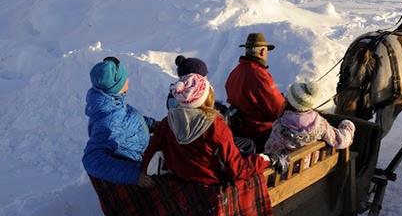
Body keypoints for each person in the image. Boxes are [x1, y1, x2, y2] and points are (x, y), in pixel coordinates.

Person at [142, 72, 286, 186]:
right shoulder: (215, 127)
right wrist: (267, 159)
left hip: (181, 183)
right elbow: (237, 170)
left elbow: (150, 157)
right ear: (205, 97)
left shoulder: (167, 123)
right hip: (211, 187)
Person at [82, 57, 157, 187]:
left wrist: (151, 124)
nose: (128, 79)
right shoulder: (109, 121)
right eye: (125, 77)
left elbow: (128, 117)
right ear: (117, 85)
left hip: (143, 146)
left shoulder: (111, 100)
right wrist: (133, 174)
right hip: (138, 161)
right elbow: (91, 159)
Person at [264, 81, 356, 160]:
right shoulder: (319, 123)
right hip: (310, 169)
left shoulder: (281, 125)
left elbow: (270, 150)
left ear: (289, 102)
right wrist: (347, 126)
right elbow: (339, 140)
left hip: (286, 173)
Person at [225, 32, 286, 149]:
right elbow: (277, 110)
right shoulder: (260, 75)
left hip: (240, 130)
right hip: (260, 133)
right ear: (263, 52)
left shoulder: (235, 72)